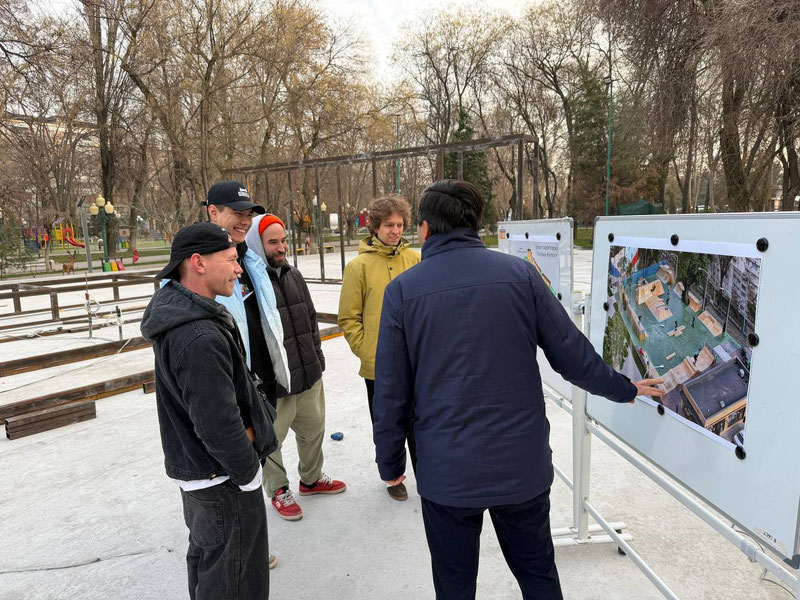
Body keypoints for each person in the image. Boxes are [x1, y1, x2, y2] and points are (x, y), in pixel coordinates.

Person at [372, 180, 664, 599]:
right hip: (521, 465)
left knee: (453, 584)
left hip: (447, 472)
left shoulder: (402, 292)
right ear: (475, 224)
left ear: (424, 228)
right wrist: (626, 388)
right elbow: (572, 355)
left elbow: (391, 392)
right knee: (538, 574)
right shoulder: (521, 275)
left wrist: (390, 461)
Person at [141, 222, 278, 599]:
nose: (239, 269)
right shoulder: (198, 336)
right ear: (198, 263)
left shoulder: (186, 316)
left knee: (212, 568)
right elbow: (217, 423)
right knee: (235, 580)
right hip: (223, 481)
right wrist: (248, 474)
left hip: (206, 478)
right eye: (231, 260)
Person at [246, 214, 346, 520]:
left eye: (283, 240)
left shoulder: (293, 275)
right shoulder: (248, 283)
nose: (281, 247)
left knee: (313, 429)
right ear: (256, 244)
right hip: (276, 382)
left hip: (308, 373)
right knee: (272, 440)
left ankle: (311, 479)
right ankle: (278, 488)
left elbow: (310, 319)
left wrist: (317, 357)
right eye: (272, 242)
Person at [338, 195, 420, 501]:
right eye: (388, 225)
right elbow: (349, 317)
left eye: (399, 224)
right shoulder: (358, 266)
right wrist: (368, 352)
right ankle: (393, 476)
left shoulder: (415, 260)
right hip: (379, 366)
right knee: (387, 425)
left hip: (416, 361)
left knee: (421, 423)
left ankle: (427, 474)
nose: (395, 231)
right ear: (375, 226)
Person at [204, 181, 290, 408]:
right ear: (213, 212)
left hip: (264, 385)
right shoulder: (197, 266)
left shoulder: (252, 261)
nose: (245, 221)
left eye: (249, 215)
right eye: (237, 213)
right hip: (232, 394)